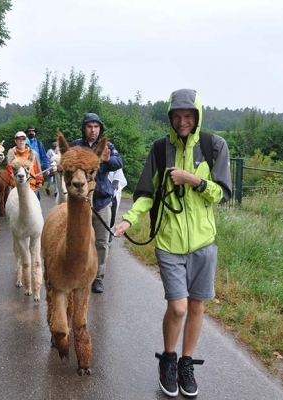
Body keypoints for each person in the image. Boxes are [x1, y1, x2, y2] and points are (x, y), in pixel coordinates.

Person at [113, 89, 232, 398]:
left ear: (197, 117)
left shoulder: (214, 146)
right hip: (168, 241)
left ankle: (186, 363)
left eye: (188, 116)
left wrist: (191, 179)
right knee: (178, 307)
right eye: (177, 116)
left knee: (196, 305)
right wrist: (130, 220)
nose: (182, 122)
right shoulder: (159, 149)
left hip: (204, 243)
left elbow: (222, 194)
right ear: (170, 118)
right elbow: (145, 194)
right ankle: (168, 359)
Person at [69, 113, 123, 294]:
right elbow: (65, 162)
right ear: (84, 128)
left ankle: (98, 277)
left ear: (100, 129)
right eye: (89, 126)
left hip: (102, 201)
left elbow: (118, 162)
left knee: (101, 242)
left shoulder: (107, 147)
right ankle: (78, 273)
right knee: (78, 240)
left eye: (96, 127)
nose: (93, 130)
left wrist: (108, 159)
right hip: (80, 202)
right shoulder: (75, 145)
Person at [24, 126, 50, 199]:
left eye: (33, 131)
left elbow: (44, 156)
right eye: (29, 131)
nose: (31, 132)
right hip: (27, 170)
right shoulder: (25, 143)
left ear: (35, 132)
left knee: (36, 192)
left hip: (37, 171)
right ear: (27, 133)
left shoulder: (39, 143)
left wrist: (47, 168)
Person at [107, 168, 127, 242]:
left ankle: (108, 230)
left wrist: (111, 189)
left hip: (112, 193)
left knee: (112, 215)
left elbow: (118, 177)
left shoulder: (114, 159)